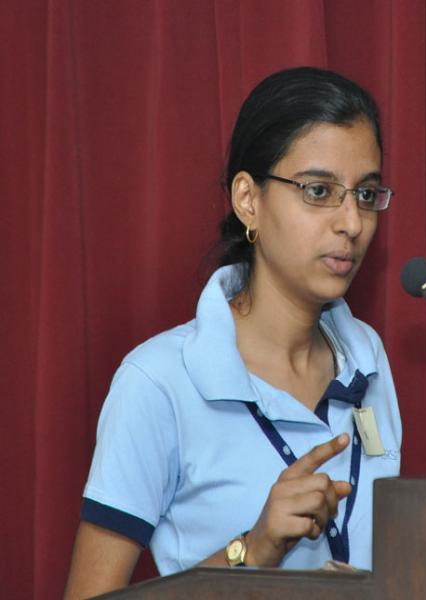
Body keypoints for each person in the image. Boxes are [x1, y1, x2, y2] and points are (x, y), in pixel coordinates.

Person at [64, 66, 402, 599]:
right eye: (319, 190)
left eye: (365, 194)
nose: (352, 223)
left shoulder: (368, 360)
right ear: (248, 199)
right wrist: (252, 550)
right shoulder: (158, 381)